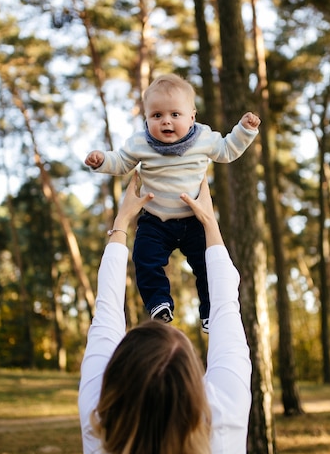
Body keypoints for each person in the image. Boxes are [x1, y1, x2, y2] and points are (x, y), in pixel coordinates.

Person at [78, 172, 252, 454]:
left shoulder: (99, 419)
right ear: (194, 379)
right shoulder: (225, 412)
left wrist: (121, 223)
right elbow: (224, 306)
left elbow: (107, 316)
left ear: (119, 372)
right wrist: (208, 224)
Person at [85, 73, 260, 333]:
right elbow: (121, 162)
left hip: (194, 220)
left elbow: (226, 151)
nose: (166, 121)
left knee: (206, 264)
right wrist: (102, 161)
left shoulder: (204, 138)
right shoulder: (140, 143)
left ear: (192, 117)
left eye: (175, 115)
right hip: (155, 221)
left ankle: (210, 311)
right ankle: (159, 303)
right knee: (144, 258)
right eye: (156, 115)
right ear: (146, 118)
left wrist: (244, 130)